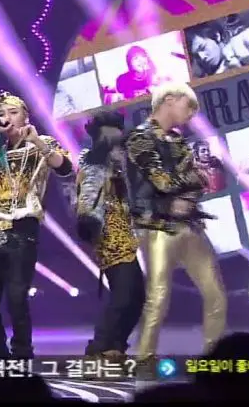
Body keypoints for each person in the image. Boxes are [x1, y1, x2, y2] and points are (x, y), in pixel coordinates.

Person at [125, 82, 227, 364]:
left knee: (216, 294)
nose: (191, 114)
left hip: (189, 225)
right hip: (157, 227)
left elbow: (198, 184)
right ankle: (144, 360)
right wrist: (193, 179)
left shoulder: (178, 140)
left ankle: (214, 358)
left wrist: (189, 194)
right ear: (169, 100)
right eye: (189, 107)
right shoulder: (139, 138)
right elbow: (163, 182)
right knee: (158, 299)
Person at [0, 92, 73, 360]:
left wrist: (37, 141)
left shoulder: (42, 143)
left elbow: (65, 168)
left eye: (13, 112)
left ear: (26, 117)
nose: (7, 117)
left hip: (22, 228)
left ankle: (22, 353)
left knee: (17, 298)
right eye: (2, 113)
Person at [75, 111, 145, 361]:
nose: (118, 134)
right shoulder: (93, 162)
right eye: (113, 130)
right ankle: (100, 347)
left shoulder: (118, 162)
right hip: (108, 236)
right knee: (124, 294)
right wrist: (89, 221)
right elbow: (88, 197)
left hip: (125, 234)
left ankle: (115, 345)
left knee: (137, 296)